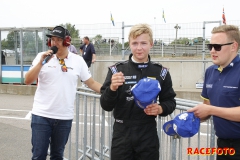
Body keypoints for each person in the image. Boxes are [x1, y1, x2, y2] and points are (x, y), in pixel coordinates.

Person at [100, 23, 176, 160]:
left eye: (143, 43)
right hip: (122, 133)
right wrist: (112, 88)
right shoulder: (116, 70)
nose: (139, 48)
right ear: (129, 44)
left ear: (151, 44)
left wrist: (160, 108)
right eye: (135, 43)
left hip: (147, 133)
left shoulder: (161, 72)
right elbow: (105, 105)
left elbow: (170, 101)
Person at [25, 26, 102, 160]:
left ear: (67, 42)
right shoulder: (41, 57)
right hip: (41, 116)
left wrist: (111, 90)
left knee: (57, 155)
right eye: (52, 40)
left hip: (64, 118)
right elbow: (27, 80)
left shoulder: (78, 61)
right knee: (38, 156)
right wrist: (41, 63)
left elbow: (92, 83)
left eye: (59, 40)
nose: (54, 43)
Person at [188, 25, 240, 160]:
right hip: (223, 145)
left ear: (234, 46)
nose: (212, 51)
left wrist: (210, 110)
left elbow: (210, 109)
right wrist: (192, 117)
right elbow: (207, 107)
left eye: (217, 47)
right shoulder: (210, 71)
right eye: (210, 46)